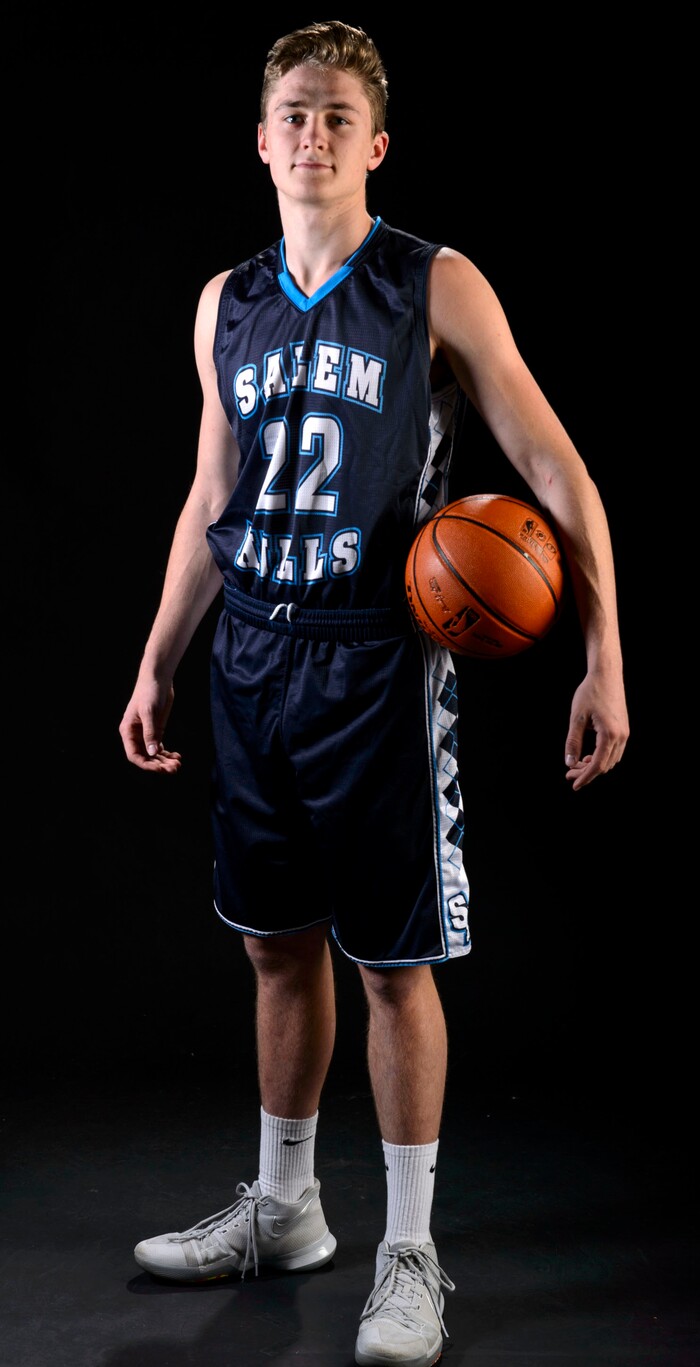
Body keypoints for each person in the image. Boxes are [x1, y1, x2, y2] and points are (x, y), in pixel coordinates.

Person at [118, 19, 629, 1367]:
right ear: (262, 137)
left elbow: (557, 471)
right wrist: (159, 656)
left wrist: (605, 651)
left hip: (376, 666)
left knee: (392, 964)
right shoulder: (221, 301)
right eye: (294, 113)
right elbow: (210, 495)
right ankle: (287, 1209)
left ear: (377, 144)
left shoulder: (431, 284)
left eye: (341, 116)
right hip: (252, 662)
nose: (314, 136)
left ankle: (411, 1250)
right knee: (274, 944)